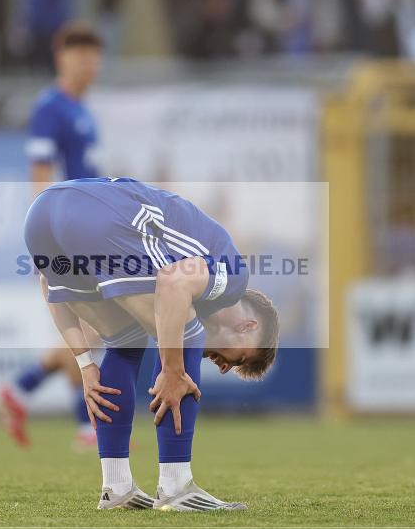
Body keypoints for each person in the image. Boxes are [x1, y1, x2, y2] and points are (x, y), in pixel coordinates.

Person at [22, 177, 280, 511]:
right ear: (248, 326)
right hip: (97, 215)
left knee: (127, 339)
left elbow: (48, 282)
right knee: (184, 331)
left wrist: (86, 365)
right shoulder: (233, 277)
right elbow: (172, 281)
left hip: (40, 215)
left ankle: (117, 489)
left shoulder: (204, 268)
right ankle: (176, 488)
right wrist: (173, 369)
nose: (223, 365)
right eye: (239, 359)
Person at [0, 23, 105, 451]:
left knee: (84, 326)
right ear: (60, 58)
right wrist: (43, 237)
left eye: (93, 55)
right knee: (96, 324)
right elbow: (39, 176)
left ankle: (28, 394)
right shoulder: (51, 109)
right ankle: (52, 406)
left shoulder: (83, 110)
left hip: (86, 229)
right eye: (78, 54)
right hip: (65, 231)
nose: (87, 63)